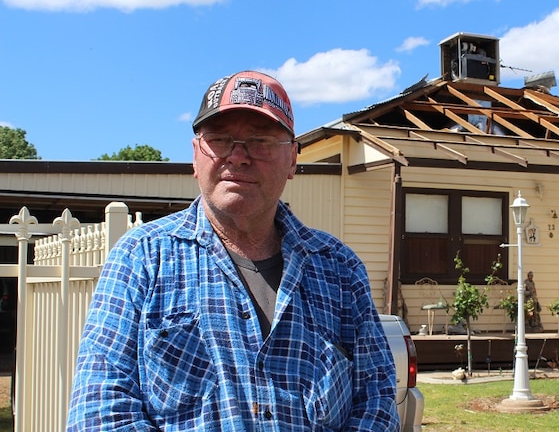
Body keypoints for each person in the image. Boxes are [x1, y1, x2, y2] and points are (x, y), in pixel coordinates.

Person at [67, 71, 399, 431]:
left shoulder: (339, 269)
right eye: (220, 139)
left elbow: (376, 403)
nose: (238, 157)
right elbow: (101, 414)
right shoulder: (141, 258)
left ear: (292, 161)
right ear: (196, 156)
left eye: (261, 141)